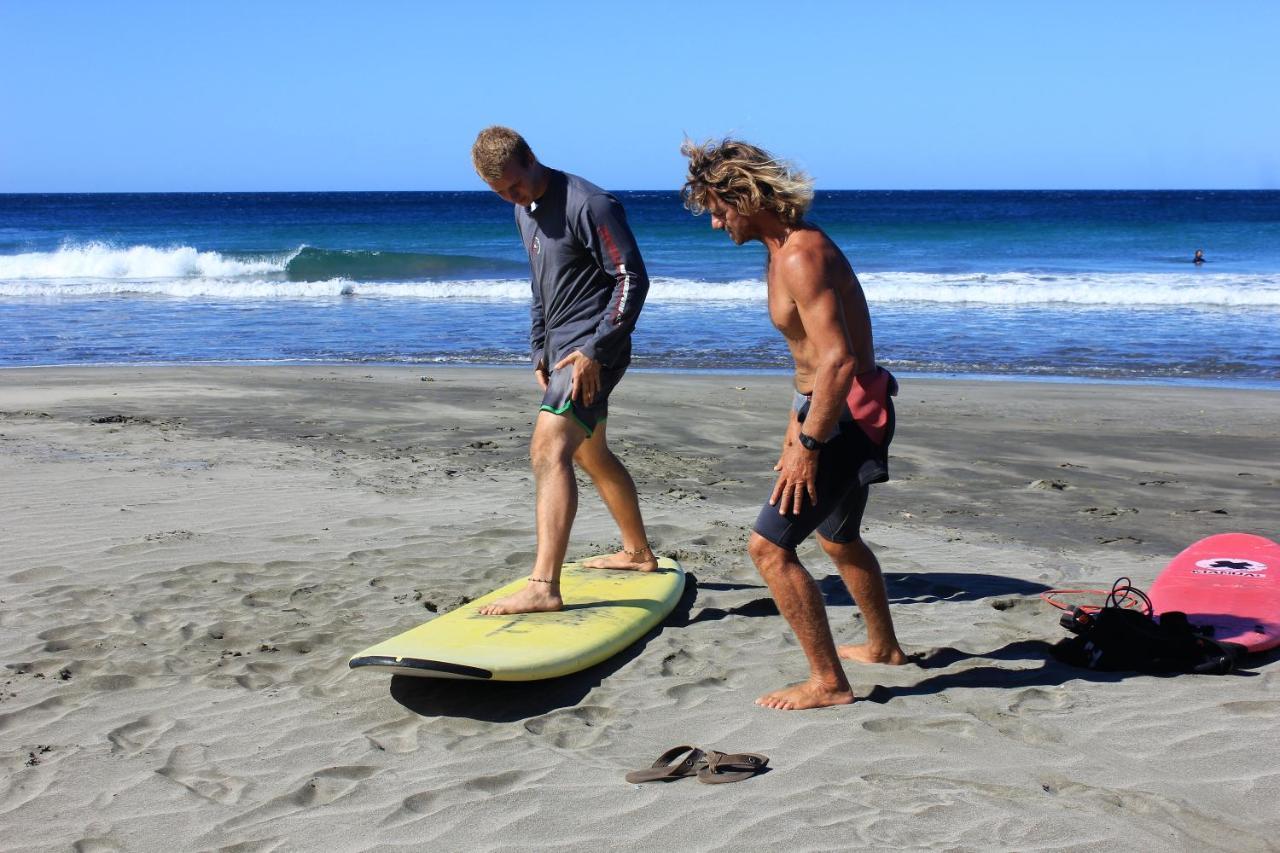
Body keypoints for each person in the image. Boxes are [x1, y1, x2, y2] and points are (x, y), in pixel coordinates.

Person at [681, 138, 907, 710]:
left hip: (846, 416)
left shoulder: (800, 255)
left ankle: (829, 683)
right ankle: (884, 649)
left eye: (716, 207)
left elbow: (837, 359)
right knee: (837, 537)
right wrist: (794, 426)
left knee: (768, 549)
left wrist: (809, 445)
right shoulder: (780, 250)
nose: (713, 223)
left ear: (743, 195)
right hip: (834, 409)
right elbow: (809, 360)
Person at [470, 126, 656, 616]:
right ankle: (638, 554)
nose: (514, 197)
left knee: (548, 448)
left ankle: (543, 586)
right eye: (503, 194)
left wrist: (596, 348)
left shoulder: (590, 203)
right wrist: (538, 349)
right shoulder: (521, 210)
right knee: (590, 453)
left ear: (532, 157)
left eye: (516, 185)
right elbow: (542, 287)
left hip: (593, 354)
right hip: (561, 353)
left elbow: (631, 278)